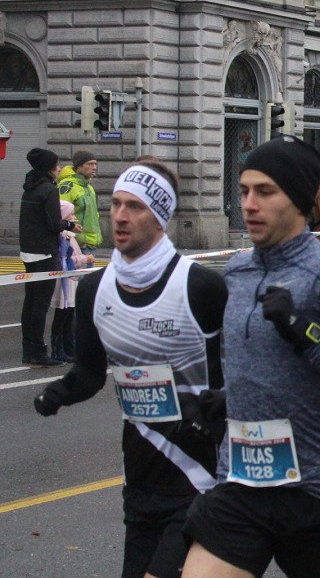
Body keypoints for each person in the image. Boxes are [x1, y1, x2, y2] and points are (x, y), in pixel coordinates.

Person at [182, 136, 320, 578]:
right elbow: (255, 362)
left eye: (265, 192)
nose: (249, 204)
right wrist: (226, 399)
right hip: (240, 483)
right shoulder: (237, 271)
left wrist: (304, 331)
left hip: (315, 492)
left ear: (298, 200)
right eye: (243, 191)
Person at [34, 157, 227, 578]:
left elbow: (238, 375)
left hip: (198, 478)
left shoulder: (200, 288)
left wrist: (213, 417)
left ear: (160, 216)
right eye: (116, 204)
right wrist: (59, 393)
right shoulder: (93, 289)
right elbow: (89, 370)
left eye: (135, 206)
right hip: (139, 477)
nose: (120, 216)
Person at [20, 147, 81, 367]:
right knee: (41, 305)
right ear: (48, 168)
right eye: (56, 164)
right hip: (45, 252)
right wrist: (69, 224)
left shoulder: (29, 187)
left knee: (31, 302)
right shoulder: (48, 190)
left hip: (28, 251)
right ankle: (37, 352)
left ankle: (29, 349)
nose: (58, 168)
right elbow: (54, 224)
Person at [49, 200, 95, 362]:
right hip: (64, 282)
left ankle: (69, 349)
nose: (74, 217)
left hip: (71, 281)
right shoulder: (63, 236)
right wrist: (85, 258)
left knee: (69, 316)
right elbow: (67, 260)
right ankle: (57, 350)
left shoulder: (70, 235)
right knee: (62, 316)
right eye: (71, 214)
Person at [57, 150, 101, 256]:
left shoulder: (89, 188)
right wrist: (80, 240)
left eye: (95, 164)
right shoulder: (67, 186)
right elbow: (61, 215)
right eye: (90, 164)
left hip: (91, 244)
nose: (94, 167)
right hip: (77, 245)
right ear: (78, 166)